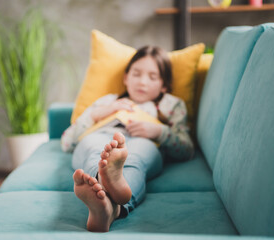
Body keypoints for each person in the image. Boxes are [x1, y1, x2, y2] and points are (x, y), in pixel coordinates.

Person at [61, 46, 194, 232]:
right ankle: (108, 200)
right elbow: (67, 142)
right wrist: (98, 114)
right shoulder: (107, 101)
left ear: (164, 85)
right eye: (136, 74)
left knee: (135, 157)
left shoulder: (171, 105)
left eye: (152, 77)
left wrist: (159, 131)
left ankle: (106, 198)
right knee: (96, 152)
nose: (142, 82)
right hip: (100, 136)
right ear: (125, 78)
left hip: (144, 141)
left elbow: (186, 149)